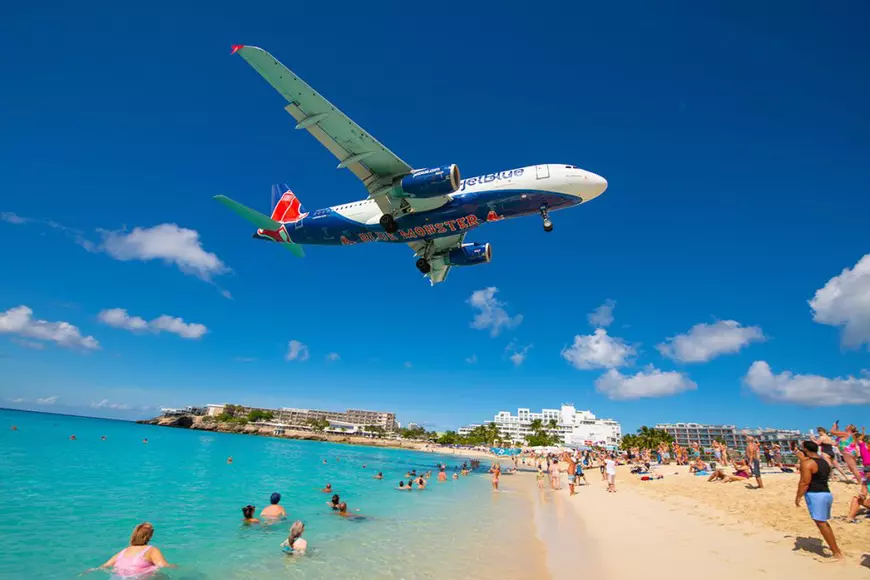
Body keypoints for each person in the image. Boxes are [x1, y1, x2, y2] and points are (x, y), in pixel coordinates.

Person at [795, 440, 843, 559]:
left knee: (821, 523)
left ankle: (836, 552)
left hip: (815, 495)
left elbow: (805, 482)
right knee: (823, 522)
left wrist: (798, 497)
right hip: (826, 493)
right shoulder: (825, 462)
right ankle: (835, 549)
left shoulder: (808, 463)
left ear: (806, 450)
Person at [88, 522, 175, 577]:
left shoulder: (123, 552)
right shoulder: (151, 550)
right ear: (150, 535)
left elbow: (103, 567)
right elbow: (163, 565)